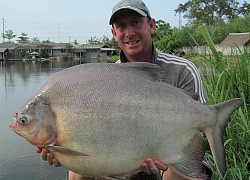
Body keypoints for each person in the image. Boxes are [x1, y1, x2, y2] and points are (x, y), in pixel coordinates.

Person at [36, 0, 212, 179]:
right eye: (121, 26)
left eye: (136, 22)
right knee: (76, 173)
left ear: (151, 25)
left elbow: (198, 130)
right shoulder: (105, 78)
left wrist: (164, 152)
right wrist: (65, 154)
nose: (129, 33)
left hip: (171, 150)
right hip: (124, 155)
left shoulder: (183, 69)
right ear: (114, 33)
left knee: (175, 173)